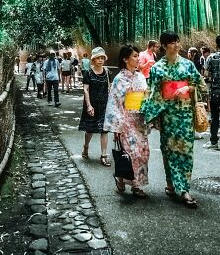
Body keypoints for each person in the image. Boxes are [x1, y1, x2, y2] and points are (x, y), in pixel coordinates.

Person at [141, 31, 206, 209]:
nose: (176, 45)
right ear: (163, 46)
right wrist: (152, 116)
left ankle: (184, 189)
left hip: (185, 114)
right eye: (172, 42)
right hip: (167, 115)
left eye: (177, 41)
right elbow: (152, 93)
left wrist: (186, 88)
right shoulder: (157, 68)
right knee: (168, 150)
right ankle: (170, 182)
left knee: (185, 151)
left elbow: (201, 85)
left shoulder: (188, 64)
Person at [104, 45, 150, 198]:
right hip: (125, 121)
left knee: (143, 153)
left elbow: (146, 98)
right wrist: (117, 127)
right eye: (135, 56)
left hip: (139, 120)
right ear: (125, 59)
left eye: (138, 56)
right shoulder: (119, 79)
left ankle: (135, 183)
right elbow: (114, 103)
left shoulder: (141, 77)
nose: (138, 59)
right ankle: (129, 182)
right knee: (130, 153)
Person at [79, 47, 111, 166]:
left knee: (104, 130)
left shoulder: (107, 72)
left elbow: (109, 87)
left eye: (102, 58)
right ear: (93, 59)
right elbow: (86, 90)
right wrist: (89, 106)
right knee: (90, 129)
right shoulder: (88, 73)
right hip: (91, 104)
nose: (101, 60)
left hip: (104, 104)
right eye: (98, 58)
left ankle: (103, 155)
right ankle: (86, 146)